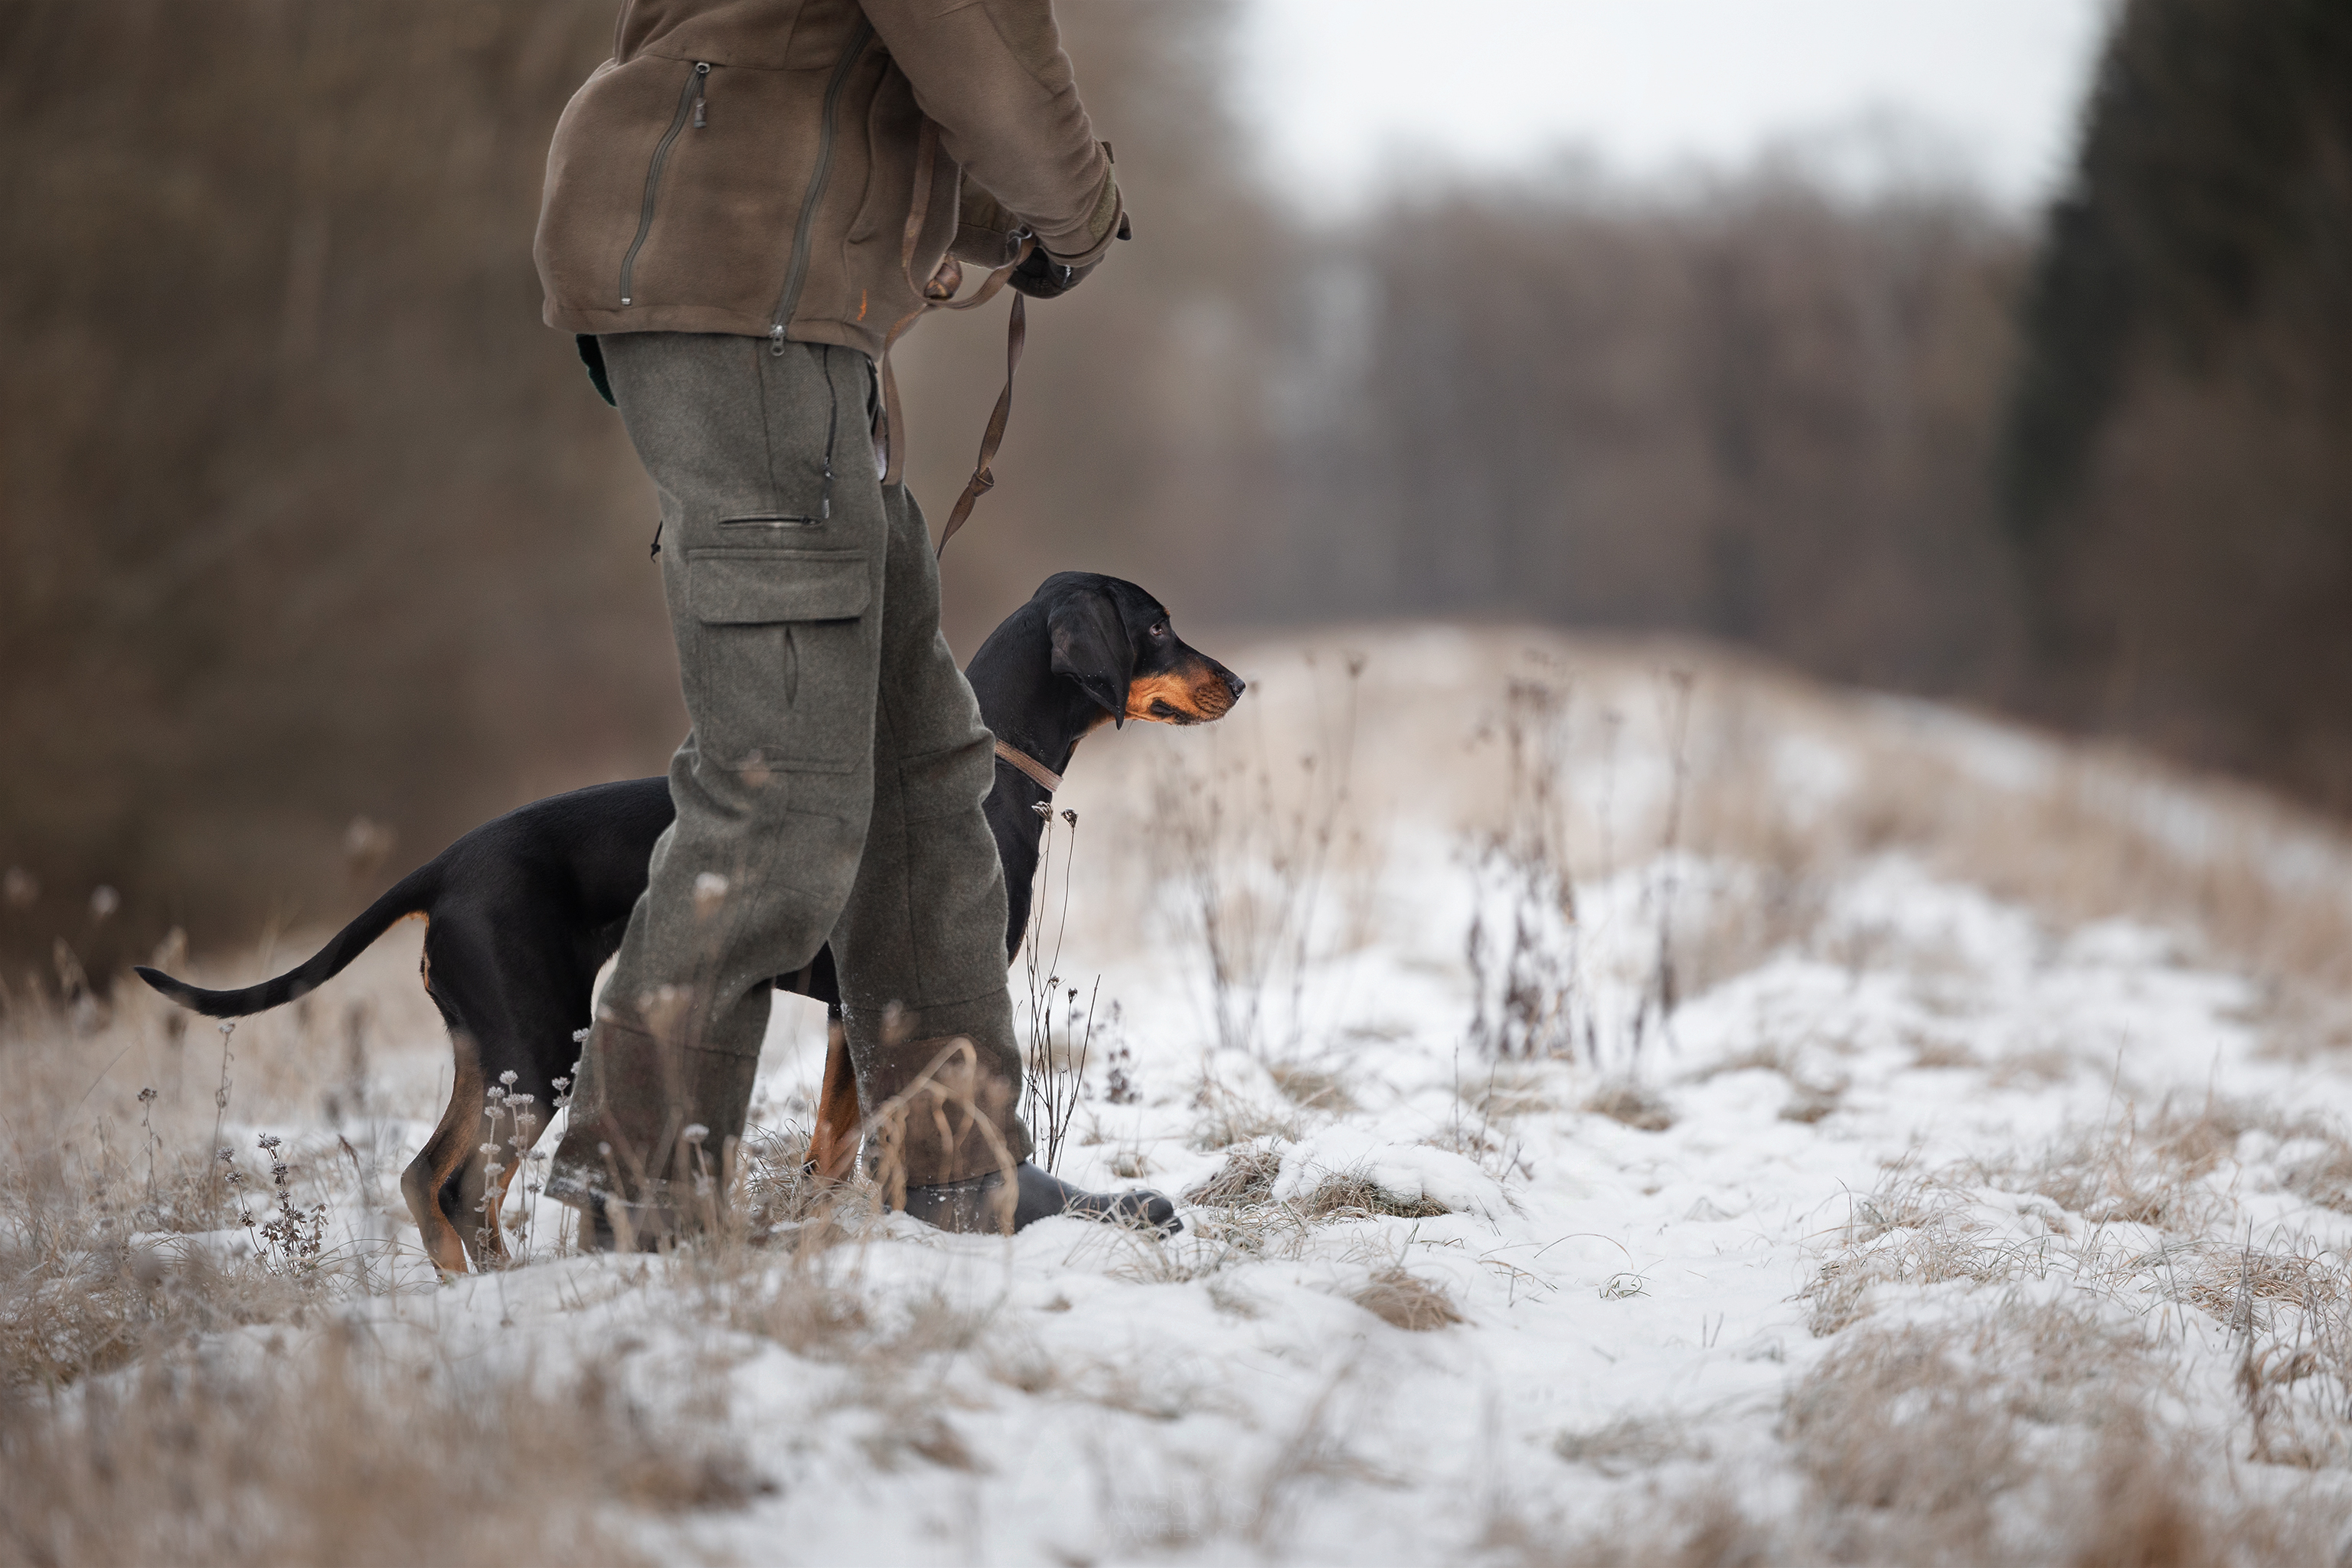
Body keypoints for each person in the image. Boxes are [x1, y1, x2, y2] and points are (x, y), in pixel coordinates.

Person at [531, 0, 1174, 1241]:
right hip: (743, 305)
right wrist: (1076, 210)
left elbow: (833, 88)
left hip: (787, 312)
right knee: (782, 788)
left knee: (928, 771)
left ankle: (956, 1165)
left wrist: (1002, 225)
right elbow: (974, 41)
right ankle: (640, 1204)